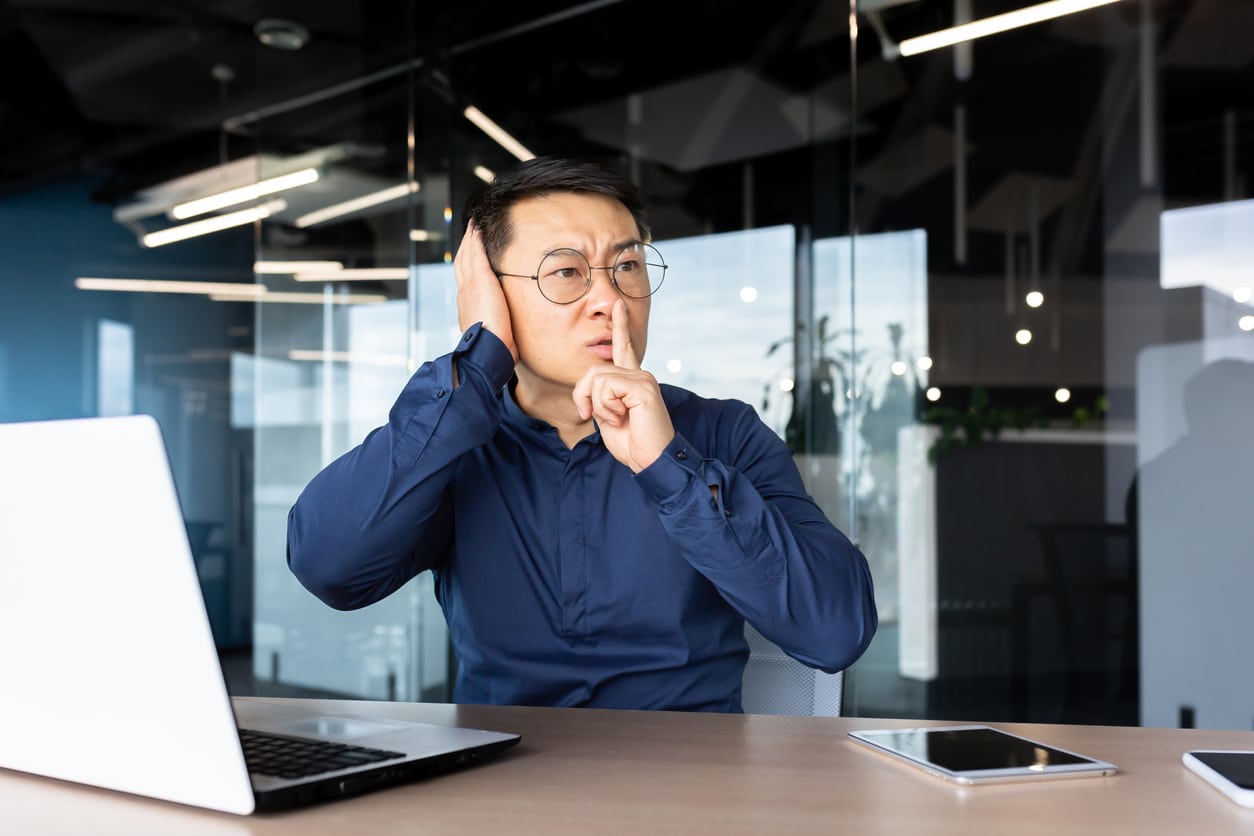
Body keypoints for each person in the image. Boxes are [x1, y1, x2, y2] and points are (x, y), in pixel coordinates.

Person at [287, 156, 878, 712]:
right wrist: (474, 366)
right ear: (491, 293)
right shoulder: (457, 442)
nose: (609, 299)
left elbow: (835, 632)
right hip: (500, 782)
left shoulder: (723, 431)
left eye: (626, 266)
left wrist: (666, 465)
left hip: (689, 787)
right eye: (566, 272)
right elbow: (329, 568)